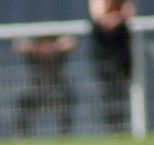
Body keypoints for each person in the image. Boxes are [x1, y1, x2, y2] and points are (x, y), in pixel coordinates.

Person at [13, 35, 77, 137]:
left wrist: (54, 48)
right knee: (23, 101)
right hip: (36, 91)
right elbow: (18, 44)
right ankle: (22, 135)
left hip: (57, 90)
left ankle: (66, 133)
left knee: (67, 98)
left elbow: (71, 42)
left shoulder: (58, 51)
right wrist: (36, 48)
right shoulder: (33, 52)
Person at [88, 0, 134, 133]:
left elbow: (129, 12)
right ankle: (113, 127)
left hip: (121, 52)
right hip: (104, 53)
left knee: (121, 91)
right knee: (109, 93)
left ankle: (121, 127)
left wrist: (117, 17)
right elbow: (101, 18)